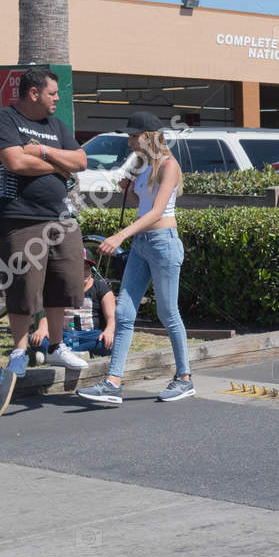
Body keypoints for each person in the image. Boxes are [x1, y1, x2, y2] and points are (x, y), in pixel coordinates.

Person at [76, 112, 194, 405]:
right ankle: (113, 382)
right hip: (142, 244)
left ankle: (184, 378)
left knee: (168, 313)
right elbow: (142, 206)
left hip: (163, 244)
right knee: (125, 313)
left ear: (149, 135)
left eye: (133, 136)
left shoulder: (170, 166)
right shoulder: (144, 166)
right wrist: (127, 192)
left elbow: (156, 212)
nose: (129, 141)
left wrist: (120, 236)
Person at [0, 67, 91, 384]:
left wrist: (45, 151)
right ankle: (20, 351)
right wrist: (59, 166)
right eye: (52, 93)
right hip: (20, 217)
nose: (57, 98)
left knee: (64, 281)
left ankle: (55, 345)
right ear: (34, 93)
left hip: (61, 218)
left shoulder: (56, 125)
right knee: (24, 285)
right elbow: (15, 162)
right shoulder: (4, 120)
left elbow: (81, 161)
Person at [65, 253, 116, 357]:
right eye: (80, 268)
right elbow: (49, 316)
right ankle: (78, 351)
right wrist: (42, 329)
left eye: (87, 268)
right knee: (37, 340)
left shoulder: (101, 288)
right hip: (67, 334)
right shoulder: (62, 287)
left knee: (113, 342)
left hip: (92, 335)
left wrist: (109, 331)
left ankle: (68, 352)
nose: (85, 272)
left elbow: (112, 317)